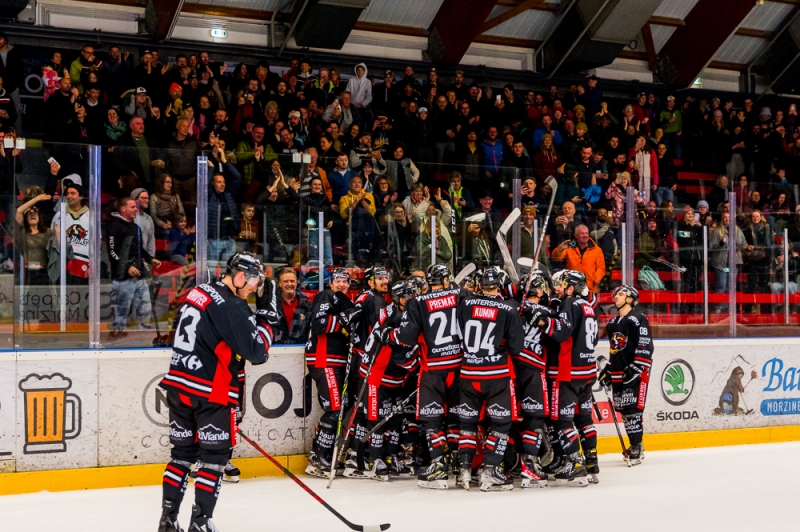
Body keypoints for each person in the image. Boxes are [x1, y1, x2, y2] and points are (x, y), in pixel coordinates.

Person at [157, 252, 272, 532]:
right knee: (213, 460)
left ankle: (168, 520)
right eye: (254, 281)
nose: (255, 288)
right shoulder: (232, 305)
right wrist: (267, 318)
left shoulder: (200, 291)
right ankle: (201, 523)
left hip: (178, 385)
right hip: (211, 393)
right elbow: (257, 353)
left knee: (181, 456)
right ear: (240, 276)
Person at [386, 264, 467, 489]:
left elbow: (406, 338)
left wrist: (392, 334)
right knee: (455, 417)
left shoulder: (418, 302)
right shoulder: (460, 295)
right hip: (458, 367)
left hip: (432, 369)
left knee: (433, 419)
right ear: (446, 279)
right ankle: (459, 465)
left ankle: (439, 466)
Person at [455, 266, 524, 492]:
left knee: (467, 423)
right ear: (500, 286)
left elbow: (461, 330)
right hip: (495, 376)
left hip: (468, 373)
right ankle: (490, 472)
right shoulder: (508, 309)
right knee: (501, 423)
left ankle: (464, 471)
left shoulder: (466, 304)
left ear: (480, 285)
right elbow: (516, 348)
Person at [527, 270, 597, 486]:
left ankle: (575, 463)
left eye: (561, 285)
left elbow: (562, 332)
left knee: (561, 420)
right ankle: (591, 462)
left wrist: (541, 322)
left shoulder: (569, 303)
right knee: (584, 418)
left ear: (571, 288)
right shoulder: (587, 305)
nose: (557, 288)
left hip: (568, 373)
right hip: (587, 371)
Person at [305, 268, 359, 478]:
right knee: (336, 409)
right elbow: (320, 324)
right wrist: (345, 318)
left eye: (345, 281)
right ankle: (318, 458)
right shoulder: (326, 295)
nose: (342, 284)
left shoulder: (345, 301)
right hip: (324, 359)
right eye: (338, 280)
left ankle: (320, 453)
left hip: (336, 361)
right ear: (330, 283)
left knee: (341, 407)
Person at [600, 285, 653, 466]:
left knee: (633, 410)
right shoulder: (612, 323)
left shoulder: (638, 318)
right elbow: (615, 350)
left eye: (621, 294)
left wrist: (636, 367)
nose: (616, 297)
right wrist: (609, 368)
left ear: (630, 299)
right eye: (616, 294)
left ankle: (636, 446)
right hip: (618, 372)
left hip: (635, 371)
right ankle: (635, 443)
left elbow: (645, 345)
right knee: (624, 410)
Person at [515, 270, 558, 488]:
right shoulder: (547, 311)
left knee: (505, 420)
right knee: (535, 418)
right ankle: (529, 466)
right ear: (539, 291)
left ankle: (504, 465)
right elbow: (559, 328)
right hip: (533, 370)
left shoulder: (512, 307)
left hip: (511, 370)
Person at [106, 197, 161, 339]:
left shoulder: (136, 227)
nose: (136, 209)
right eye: (132, 207)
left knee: (146, 305)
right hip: (123, 277)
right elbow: (112, 252)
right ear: (123, 209)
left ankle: (143, 333)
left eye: (135, 207)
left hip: (139, 274)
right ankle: (117, 334)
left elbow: (140, 250)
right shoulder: (114, 226)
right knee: (121, 309)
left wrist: (150, 259)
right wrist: (127, 267)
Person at [50, 177, 91, 285]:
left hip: (84, 263)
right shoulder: (59, 216)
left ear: (81, 196)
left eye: (73, 193)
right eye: (67, 193)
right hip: (62, 263)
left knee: (81, 294)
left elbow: (97, 243)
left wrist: (93, 265)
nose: (69, 196)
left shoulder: (92, 217)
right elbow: (52, 239)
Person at [256, 267, 313, 345]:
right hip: (276, 347)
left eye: (292, 281)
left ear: (296, 283)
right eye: (286, 281)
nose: (289, 284)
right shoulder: (272, 303)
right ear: (280, 284)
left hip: (300, 347)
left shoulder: (305, 303)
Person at [550, 224, 606, 297]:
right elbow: (556, 258)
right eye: (582, 233)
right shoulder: (569, 247)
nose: (585, 235)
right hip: (571, 288)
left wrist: (594, 279)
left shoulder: (597, 250)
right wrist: (560, 248)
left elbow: (601, 268)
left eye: (586, 233)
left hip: (590, 288)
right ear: (576, 235)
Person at [15, 192, 54, 286]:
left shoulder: (48, 232)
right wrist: (37, 198)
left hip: (44, 273)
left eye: (35, 212)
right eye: (30, 213)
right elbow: (19, 211)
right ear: (25, 217)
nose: (33, 215)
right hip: (27, 273)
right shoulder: (22, 232)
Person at [208, 170, 242, 267]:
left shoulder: (228, 195)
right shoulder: (209, 195)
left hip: (229, 239)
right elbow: (204, 184)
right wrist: (211, 168)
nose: (222, 184)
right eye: (219, 182)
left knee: (228, 270)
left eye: (223, 182)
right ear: (212, 183)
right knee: (211, 270)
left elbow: (237, 177)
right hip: (214, 239)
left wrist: (225, 162)